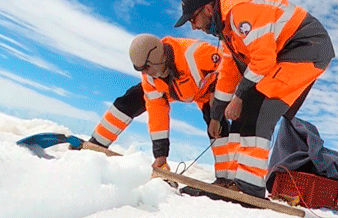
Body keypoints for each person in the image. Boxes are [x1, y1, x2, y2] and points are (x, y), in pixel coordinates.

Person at [174, 0, 334, 198]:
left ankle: (249, 188)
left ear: (207, 9)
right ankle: (232, 182)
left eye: (193, 20)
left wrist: (239, 97)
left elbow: (263, 60)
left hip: (307, 47)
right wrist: (216, 116)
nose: (193, 27)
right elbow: (228, 74)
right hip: (287, 53)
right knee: (245, 112)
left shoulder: (240, 13)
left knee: (259, 111)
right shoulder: (228, 34)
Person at [90, 34, 233, 177]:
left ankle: (226, 178)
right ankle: (96, 143)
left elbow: (229, 66)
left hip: (208, 92)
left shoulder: (196, 53)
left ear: (157, 59)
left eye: (146, 67)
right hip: (174, 90)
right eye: (139, 69)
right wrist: (160, 155)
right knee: (129, 100)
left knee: (218, 127)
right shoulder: (150, 79)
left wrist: (217, 92)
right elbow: (157, 114)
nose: (144, 73)